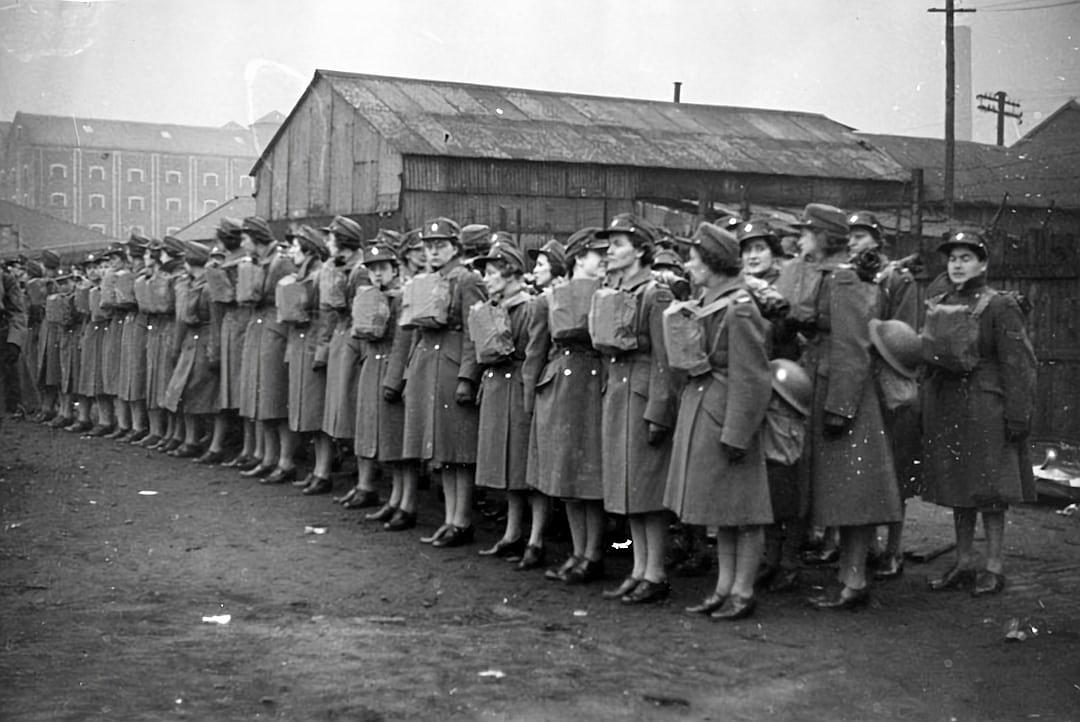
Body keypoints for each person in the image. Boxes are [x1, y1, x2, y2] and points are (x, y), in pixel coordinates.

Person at [793, 203, 902, 610]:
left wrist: (841, 407)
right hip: (828, 384)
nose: (800, 238)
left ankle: (854, 581)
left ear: (823, 237)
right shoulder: (830, 275)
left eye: (806, 232)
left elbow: (853, 346)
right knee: (841, 490)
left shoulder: (845, 277)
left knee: (853, 492)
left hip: (844, 394)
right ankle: (848, 578)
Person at [665, 223, 773, 619]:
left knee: (744, 512)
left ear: (711, 264)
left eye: (694, 259)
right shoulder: (713, 301)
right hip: (710, 410)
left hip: (729, 417)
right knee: (723, 512)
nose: (689, 265)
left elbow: (753, 377)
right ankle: (724, 586)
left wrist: (738, 432)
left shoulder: (739, 307)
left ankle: (743, 591)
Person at [922, 229, 1037, 596]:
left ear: (983, 263)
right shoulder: (940, 301)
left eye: (966, 258)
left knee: (989, 488)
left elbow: (1018, 363)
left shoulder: (1000, 305)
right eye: (953, 258)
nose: (957, 265)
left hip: (987, 406)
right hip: (949, 404)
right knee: (958, 485)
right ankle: (964, 560)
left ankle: (993, 564)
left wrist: (1018, 415)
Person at [595, 213, 677, 601]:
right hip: (618, 395)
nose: (610, 251)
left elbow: (666, 359)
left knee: (647, 490)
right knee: (628, 490)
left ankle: (656, 572)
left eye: (619, 244)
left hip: (643, 397)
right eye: (609, 244)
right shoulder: (614, 289)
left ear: (642, 251)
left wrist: (659, 410)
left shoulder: (656, 294)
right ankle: (637, 567)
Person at [523, 228, 606, 576]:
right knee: (568, 477)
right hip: (561, 390)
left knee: (591, 477)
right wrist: (531, 399)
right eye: (595, 254)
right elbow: (535, 352)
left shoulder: (609, 295)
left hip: (596, 388)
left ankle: (594, 553)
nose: (603, 260)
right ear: (577, 259)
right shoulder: (548, 300)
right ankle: (577, 551)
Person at [846, 210, 923, 580]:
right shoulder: (849, 276)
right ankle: (868, 546)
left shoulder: (898, 279)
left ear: (877, 240)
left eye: (859, 236)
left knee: (896, 466)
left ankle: (893, 548)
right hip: (857, 379)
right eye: (850, 237)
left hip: (887, 378)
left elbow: (903, 335)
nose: (852, 243)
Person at [401, 217, 486, 548]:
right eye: (428, 246)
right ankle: (450, 519)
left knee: (458, 449)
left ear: (455, 248)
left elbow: (474, 332)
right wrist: (411, 373)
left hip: (452, 367)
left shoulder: (468, 280)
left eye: (440, 246)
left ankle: (461, 520)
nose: (433, 252)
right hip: (429, 366)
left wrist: (467, 377)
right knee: (442, 451)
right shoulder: (427, 280)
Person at [737, 219, 804, 593]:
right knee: (759, 474)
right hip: (753, 388)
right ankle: (769, 557)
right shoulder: (742, 289)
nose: (752, 256)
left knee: (785, 474)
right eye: (746, 250)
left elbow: (788, 331)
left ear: (774, 252)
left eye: (759, 248)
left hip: (785, 389)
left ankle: (790, 559)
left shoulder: (786, 286)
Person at [470, 241, 535, 561]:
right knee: (509, 468)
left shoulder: (529, 306)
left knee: (525, 468)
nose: (487, 278)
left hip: (520, 386)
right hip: (498, 387)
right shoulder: (495, 306)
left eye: (493, 272)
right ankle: (512, 533)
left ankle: (533, 538)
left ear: (511, 274)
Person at [351, 242, 416, 529]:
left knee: (399, 443)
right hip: (373, 367)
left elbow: (404, 341)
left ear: (395, 269)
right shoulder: (371, 296)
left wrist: (395, 380)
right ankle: (394, 499)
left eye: (383, 269)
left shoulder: (402, 297)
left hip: (392, 370)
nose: (377, 275)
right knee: (384, 442)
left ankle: (407, 502)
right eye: (373, 269)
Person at [316, 216, 371, 495]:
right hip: (340, 341)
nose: (327, 243)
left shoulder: (360, 271)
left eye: (331, 238)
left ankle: (365, 484)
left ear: (343, 243)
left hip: (353, 344)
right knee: (339, 412)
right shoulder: (337, 267)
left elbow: (360, 313)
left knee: (355, 414)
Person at [237, 217, 296, 479]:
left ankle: (285, 460)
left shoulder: (280, 262)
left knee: (275, 397)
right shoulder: (260, 261)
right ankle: (269, 457)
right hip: (260, 329)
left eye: (245, 239)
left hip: (275, 330)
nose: (242, 244)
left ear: (256, 239)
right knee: (262, 397)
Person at [272, 225, 330, 487]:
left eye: (296, 246)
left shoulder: (319, 276)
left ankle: (323, 471)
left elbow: (326, 318)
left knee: (316, 412)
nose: (291, 251)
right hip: (299, 345)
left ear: (308, 250)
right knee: (306, 411)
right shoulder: (303, 275)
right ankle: (318, 470)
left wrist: (320, 351)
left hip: (311, 346)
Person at [200, 219, 253, 466]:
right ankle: (228, 446)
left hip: (241, 328)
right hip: (230, 329)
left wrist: (217, 274)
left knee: (247, 393)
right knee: (229, 392)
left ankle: (248, 449)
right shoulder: (223, 262)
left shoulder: (237, 262)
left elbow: (227, 298)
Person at [162, 241, 220, 456]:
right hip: (191, 341)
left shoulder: (208, 285)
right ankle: (190, 439)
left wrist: (214, 351)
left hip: (205, 341)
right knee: (185, 392)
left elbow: (215, 320)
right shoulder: (189, 283)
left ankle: (209, 443)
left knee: (208, 396)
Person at [114, 233, 151, 443]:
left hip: (140, 322)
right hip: (130, 322)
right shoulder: (132, 274)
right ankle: (131, 424)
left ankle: (139, 425)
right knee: (127, 372)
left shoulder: (142, 275)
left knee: (136, 373)